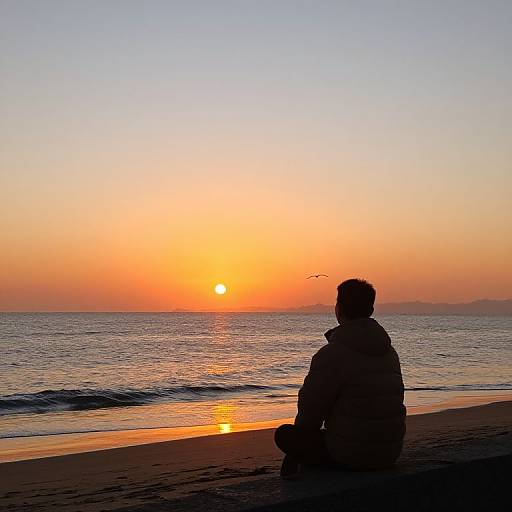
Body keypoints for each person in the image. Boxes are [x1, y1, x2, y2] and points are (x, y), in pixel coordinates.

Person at [275, 279, 406, 479]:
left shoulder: (332, 354)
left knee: (285, 435)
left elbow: (310, 413)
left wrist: (297, 448)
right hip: (389, 453)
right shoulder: (389, 352)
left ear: (338, 309)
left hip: (350, 456)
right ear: (371, 309)